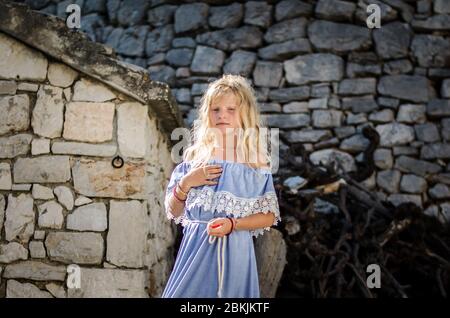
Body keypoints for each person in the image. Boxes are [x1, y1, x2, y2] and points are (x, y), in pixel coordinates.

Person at [162, 74, 281, 298]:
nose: (222, 115)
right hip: (194, 252)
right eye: (215, 109)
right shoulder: (195, 157)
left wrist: (232, 223)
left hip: (235, 254)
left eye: (230, 109)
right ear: (207, 113)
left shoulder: (255, 161)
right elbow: (173, 211)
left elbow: (268, 216)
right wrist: (186, 183)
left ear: (244, 113)